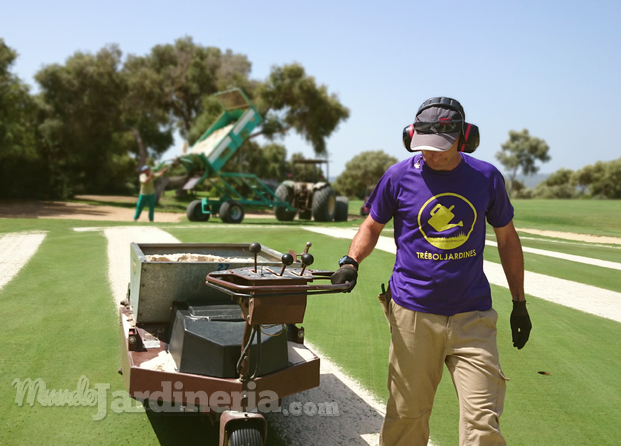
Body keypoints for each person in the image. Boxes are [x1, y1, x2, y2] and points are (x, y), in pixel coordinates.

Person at [331, 97, 532, 446]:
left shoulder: (486, 177)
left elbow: (508, 240)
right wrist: (351, 262)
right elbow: (371, 226)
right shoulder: (398, 176)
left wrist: (519, 303)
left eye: (440, 147)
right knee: (407, 417)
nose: (431, 154)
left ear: (465, 139)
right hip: (413, 314)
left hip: (473, 317)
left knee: (483, 422)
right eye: (423, 146)